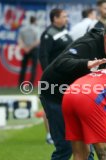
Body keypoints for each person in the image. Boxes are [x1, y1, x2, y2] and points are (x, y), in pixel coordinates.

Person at [39, 19, 106, 160]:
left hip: (79, 98)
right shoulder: (88, 45)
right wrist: (86, 64)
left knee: (88, 147)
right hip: (55, 94)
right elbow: (60, 63)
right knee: (65, 148)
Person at [38, 8, 74, 145]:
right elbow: (43, 55)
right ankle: (49, 134)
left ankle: (64, 131)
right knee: (49, 105)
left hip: (65, 75)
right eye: (64, 16)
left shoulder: (64, 31)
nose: (66, 19)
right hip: (53, 76)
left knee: (65, 104)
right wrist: (48, 74)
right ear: (55, 18)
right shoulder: (48, 34)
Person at [18, 16, 39, 86]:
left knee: (23, 66)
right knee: (33, 67)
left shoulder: (23, 29)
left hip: (26, 49)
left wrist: (25, 48)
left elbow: (20, 40)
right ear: (35, 21)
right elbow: (37, 41)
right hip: (34, 49)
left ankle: (20, 83)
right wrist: (30, 48)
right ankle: (31, 84)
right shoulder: (37, 29)